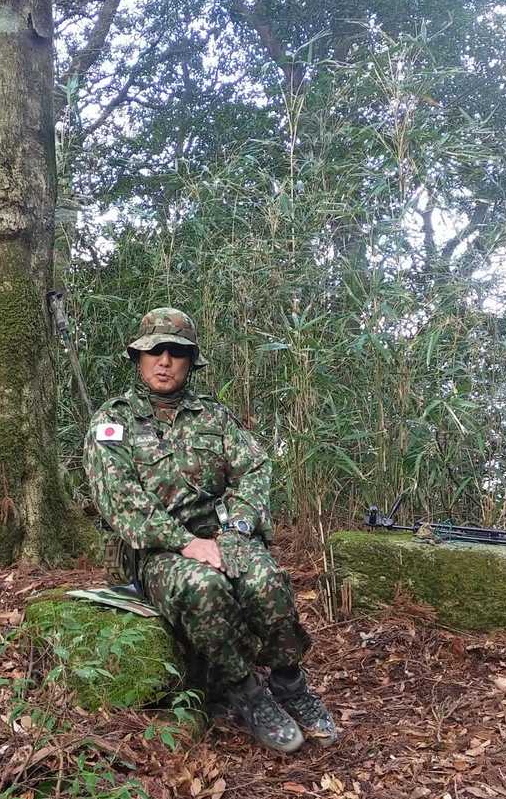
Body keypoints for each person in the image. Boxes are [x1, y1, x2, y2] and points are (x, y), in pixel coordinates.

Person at [83, 307, 338, 754]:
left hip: (224, 535)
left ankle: (289, 682)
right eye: (154, 352)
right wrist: (186, 543)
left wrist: (236, 531)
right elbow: (120, 499)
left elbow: (254, 469)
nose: (165, 362)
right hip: (158, 550)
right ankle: (247, 692)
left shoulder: (213, 416)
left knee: (265, 581)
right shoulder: (113, 422)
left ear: (190, 361)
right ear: (138, 358)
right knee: (205, 589)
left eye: (176, 352)